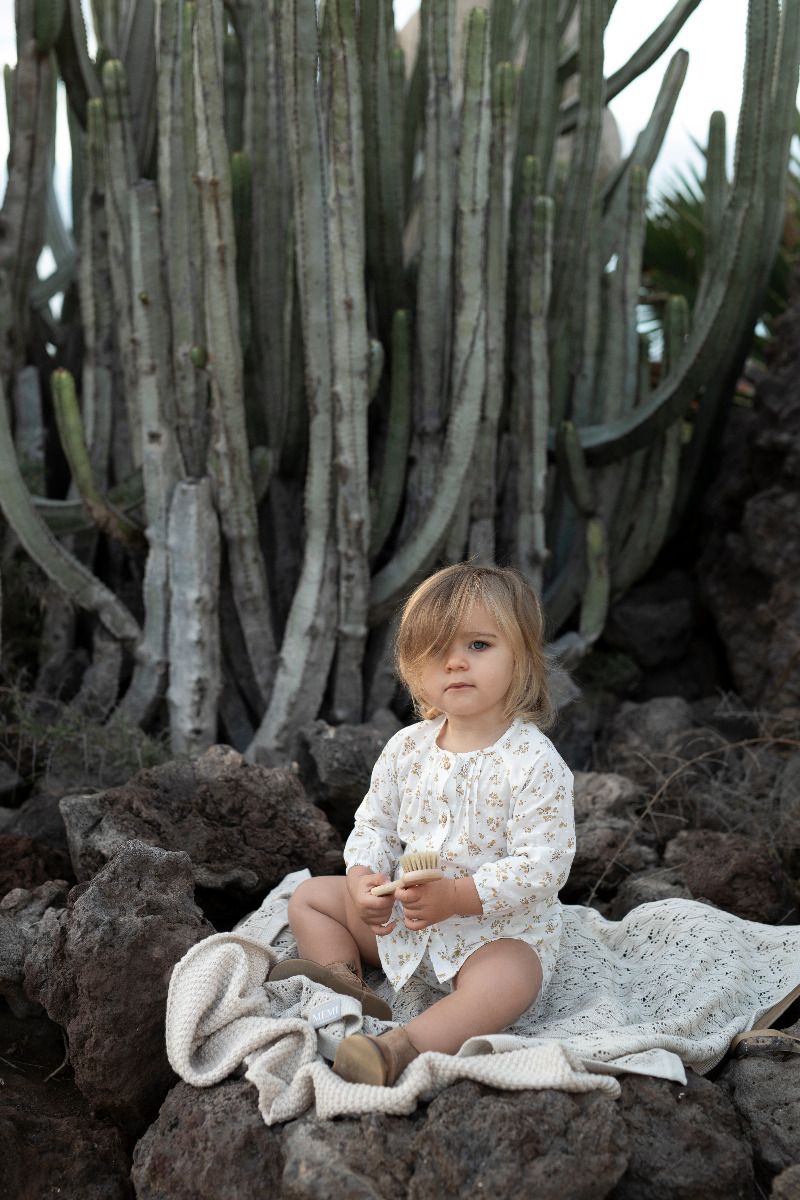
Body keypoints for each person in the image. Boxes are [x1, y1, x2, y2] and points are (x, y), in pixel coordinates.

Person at [270, 562, 576, 1086]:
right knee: (311, 898)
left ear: (521, 657)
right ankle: (345, 982)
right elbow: (375, 824)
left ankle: (401, 1047)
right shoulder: (407, 749)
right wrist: (363, 878)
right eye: (436, 650)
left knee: (512, 977)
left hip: (490, 934)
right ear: (414, 669)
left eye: (478, 645)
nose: (455, 662)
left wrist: (457, 896)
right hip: (403, 925)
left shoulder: (532, 761)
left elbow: (543, 866)